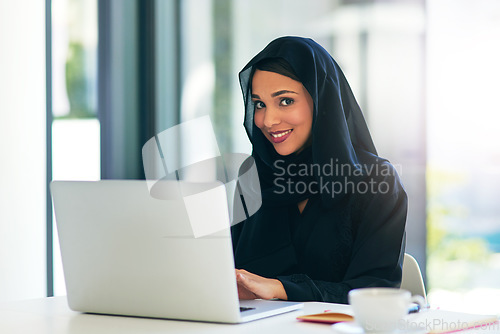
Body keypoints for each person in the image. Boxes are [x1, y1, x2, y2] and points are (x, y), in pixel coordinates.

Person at [231, 36, 407, 304]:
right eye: (259, 104)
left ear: (321, 101)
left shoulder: (375, 181)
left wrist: (283, 289)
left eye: (285, 101)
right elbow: (229, 269)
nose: (268, 120)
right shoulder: (253, 176)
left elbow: (375, 290)